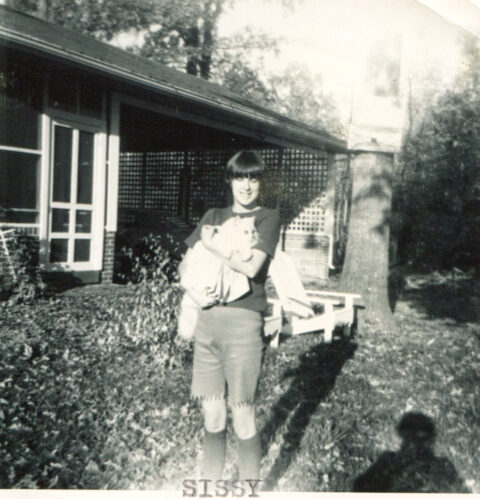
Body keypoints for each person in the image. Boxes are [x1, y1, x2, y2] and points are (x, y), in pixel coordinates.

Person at [181, 150, 281, 482]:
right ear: (230, 181)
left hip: (243, 324)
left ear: (260, 183)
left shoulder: (267, 218)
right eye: (240, 177)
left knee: (243, 413)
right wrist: (192, 291)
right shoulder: (213, 215)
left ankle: (249, 490)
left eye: (253, 178)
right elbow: (185, 262)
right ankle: (210, 487)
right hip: (207, 323)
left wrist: (215, 248)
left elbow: (252, 266)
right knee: (212, 415)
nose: (247, 185)